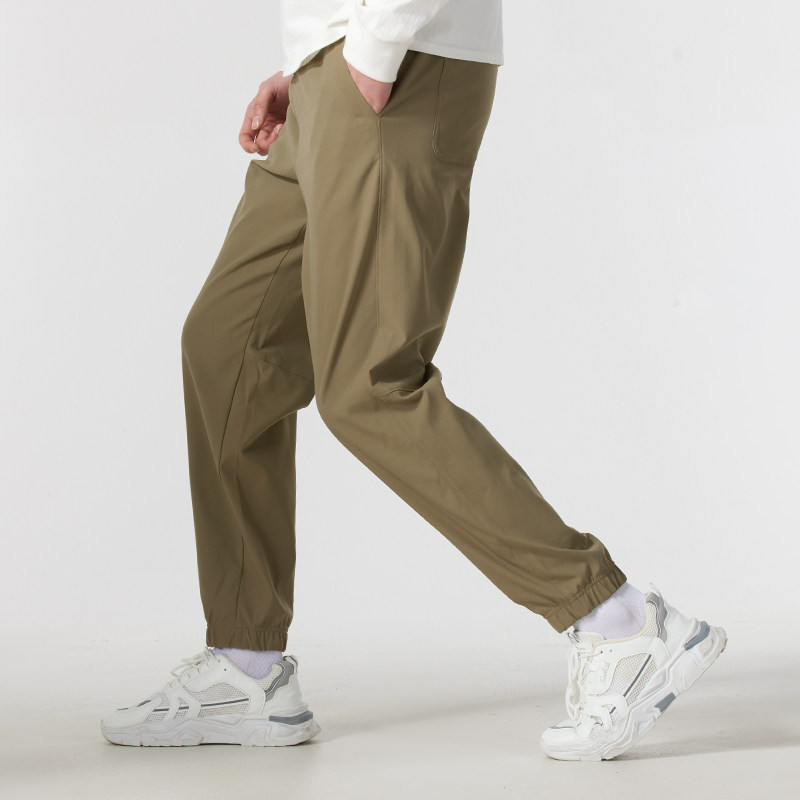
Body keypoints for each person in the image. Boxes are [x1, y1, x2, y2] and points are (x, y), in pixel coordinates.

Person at [100, 0, 727, 760]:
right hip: (337, 66)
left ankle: (617, 619)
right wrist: (313, 59)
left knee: (371, 385)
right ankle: (246, 668)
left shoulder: (382, 50)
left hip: (396, 62)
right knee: (228, 349)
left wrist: (376, 41)